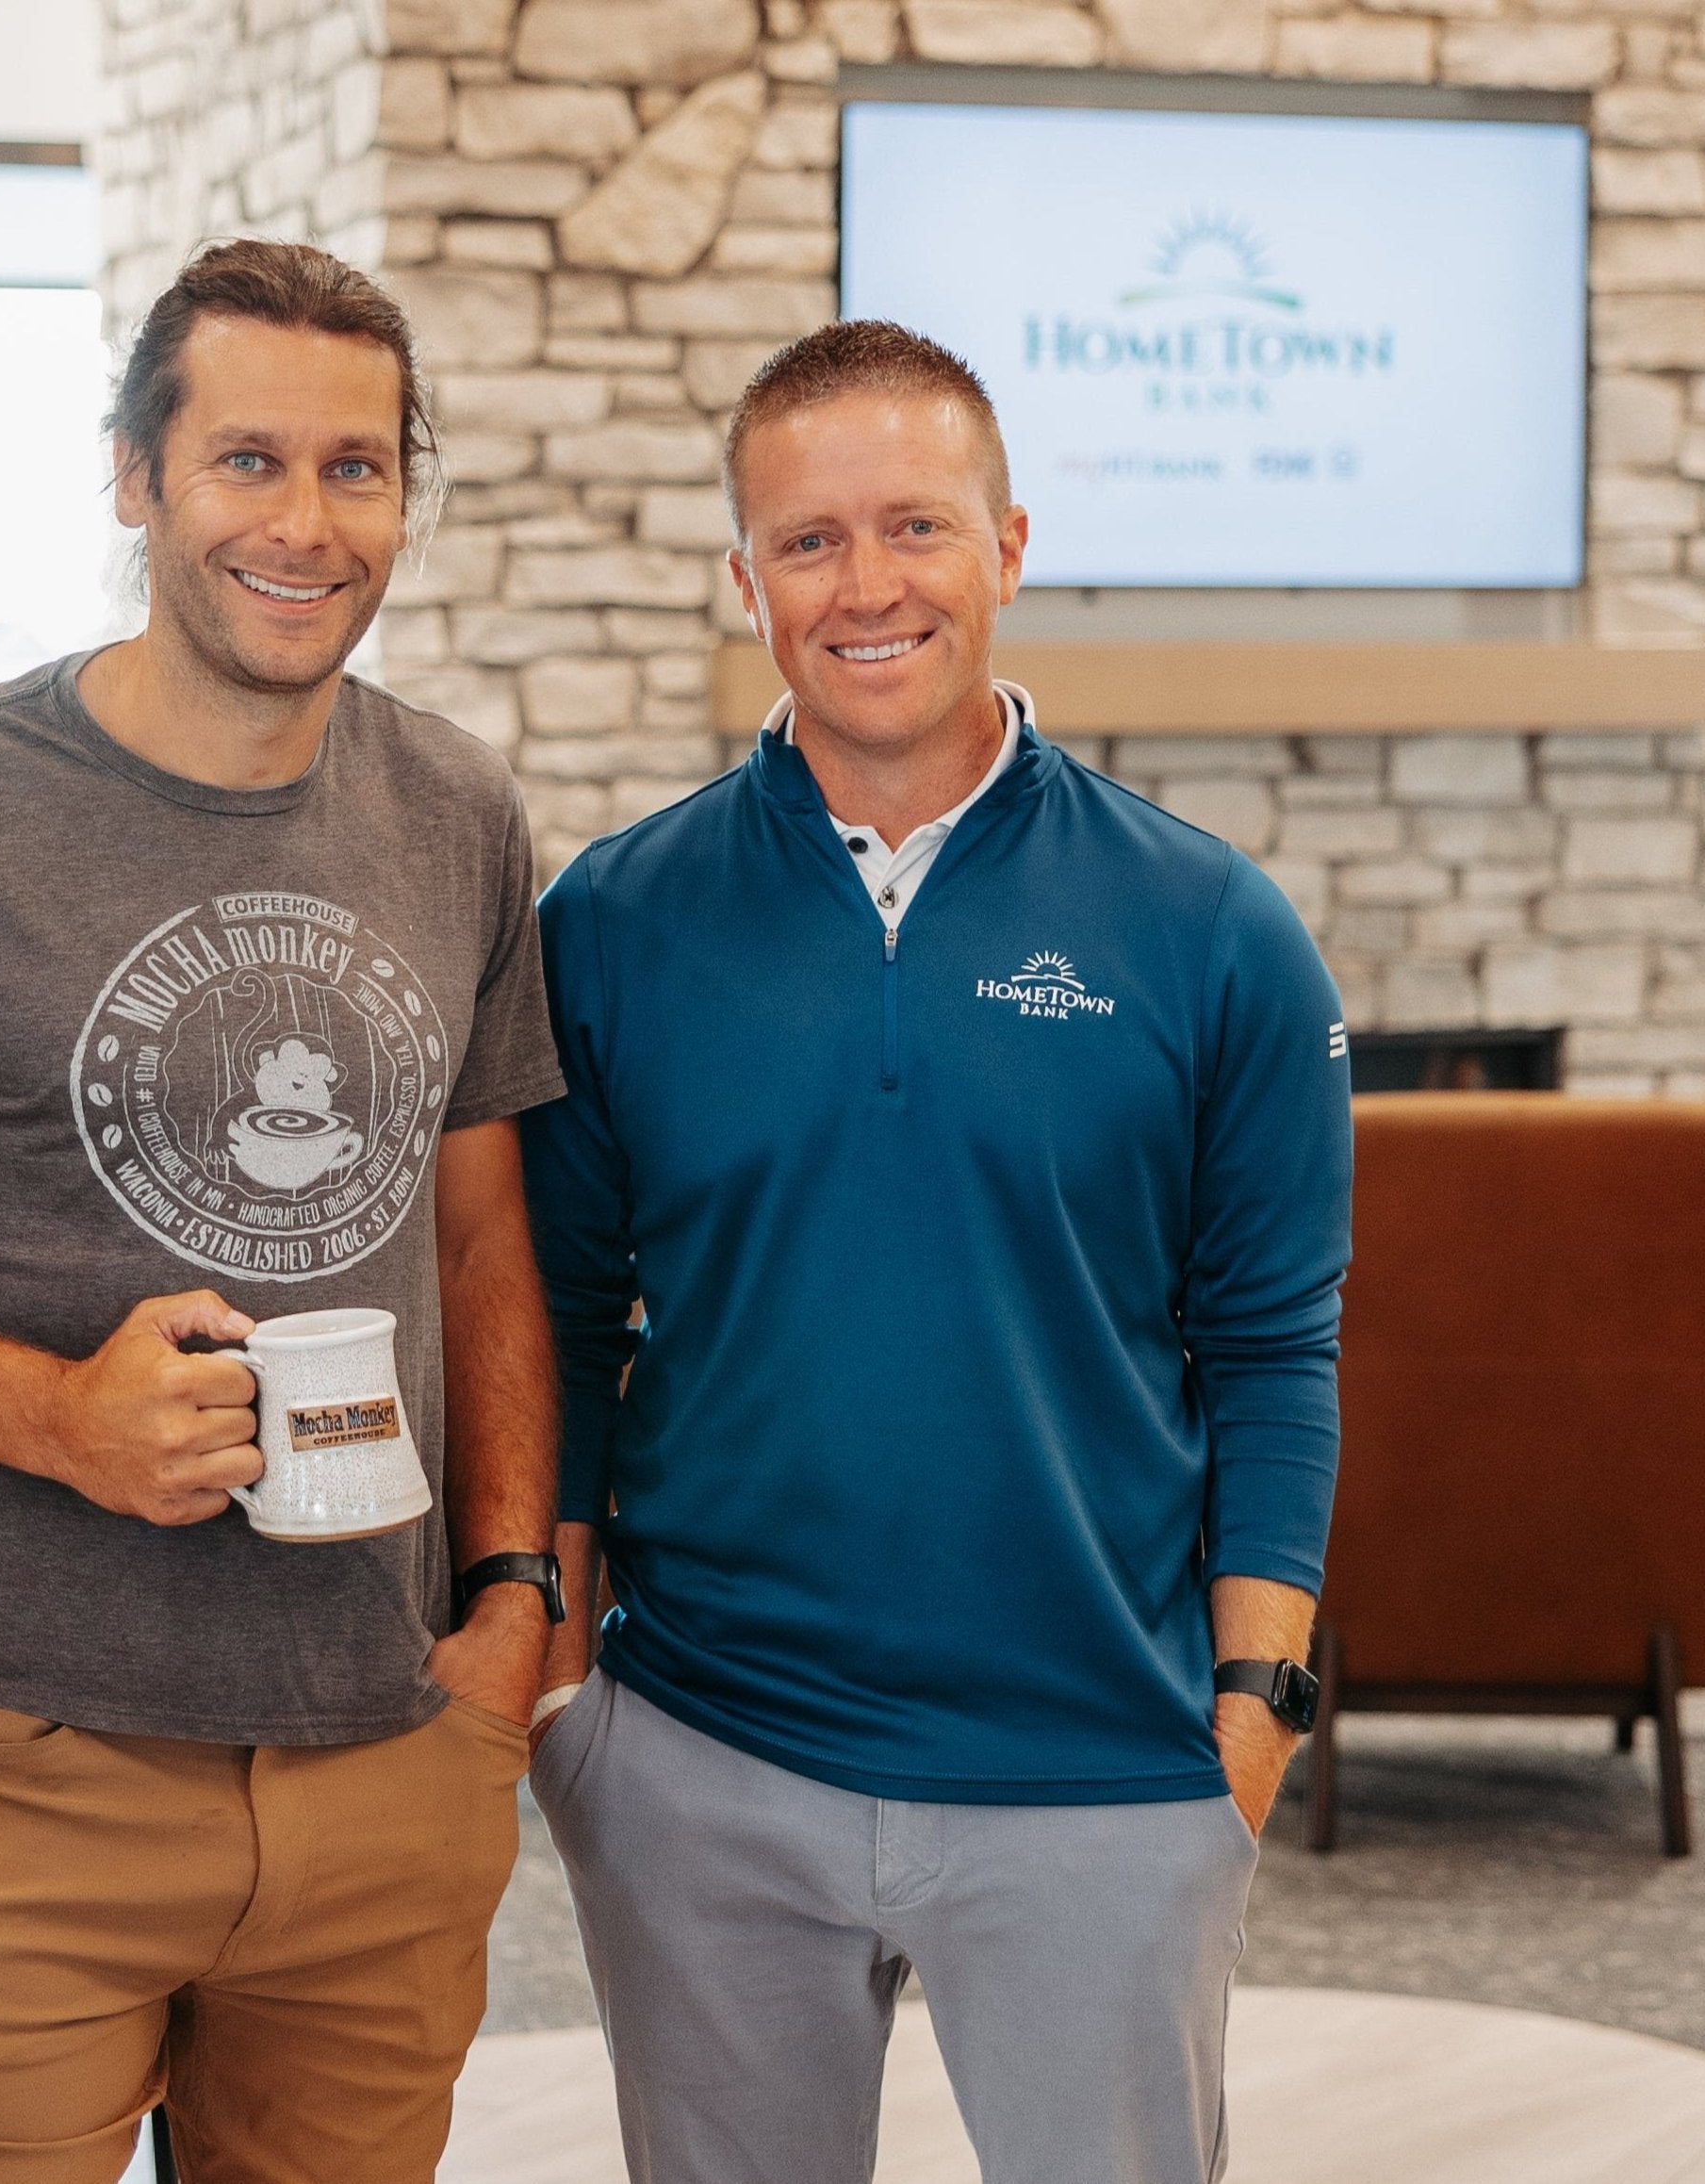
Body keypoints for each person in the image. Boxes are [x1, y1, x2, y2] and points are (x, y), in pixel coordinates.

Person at [0, 238, 567, 2183]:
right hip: (23, 1767)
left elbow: (482, 1240)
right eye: (244, 462)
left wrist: (511, 1606)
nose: (302, 524)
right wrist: (51, 1417)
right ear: (136, 478)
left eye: (354, 468)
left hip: (384, 1749)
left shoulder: (454, 812)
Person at [518, 320, 1353, 2184]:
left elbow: (1271, 1348)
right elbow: (556, 1331)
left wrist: (1246, 1724)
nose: (864, 582)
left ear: (1005, 544)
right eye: (805, 541)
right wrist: (569, 1701)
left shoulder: (1209, 929)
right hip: (704, 1763)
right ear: (742, 581)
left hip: (1102, 1775)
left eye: (914, 524)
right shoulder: (611, 921)